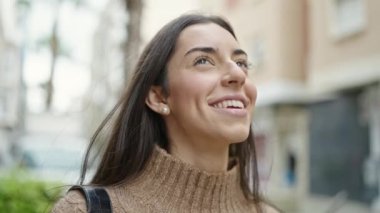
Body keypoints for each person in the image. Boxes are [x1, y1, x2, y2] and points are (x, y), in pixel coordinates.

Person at [52, 13, 280, 213]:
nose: (238, 74)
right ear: (158, 97)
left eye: (241, 63)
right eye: (203, 60)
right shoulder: (83, 209)